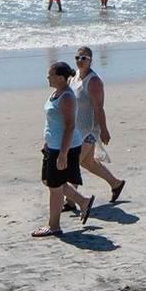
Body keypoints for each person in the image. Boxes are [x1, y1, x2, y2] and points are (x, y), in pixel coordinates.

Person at [36, 61, 92, 237]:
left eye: (50, 75)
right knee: (49, 181)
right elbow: (53, 122)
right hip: (53, 145)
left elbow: (69, 127)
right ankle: (83, 201)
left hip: (63, 147)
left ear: (60, 78)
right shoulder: (55, 93)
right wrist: (47, 142)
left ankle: (54, 225)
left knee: (55, 187)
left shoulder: (67, 97)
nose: (47, 78)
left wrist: (63, 154)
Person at [71, 45, 124, 204]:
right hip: (77, 129)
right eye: (77, 58)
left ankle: (71, 200)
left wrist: (104, 130)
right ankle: (116, 184)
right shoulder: (74, 77)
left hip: (89, 130)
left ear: (90, 61)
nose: (80, 61)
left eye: (84, 58)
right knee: (88, 162)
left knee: (74, 163)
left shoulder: (93, 81)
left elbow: (99, 107)